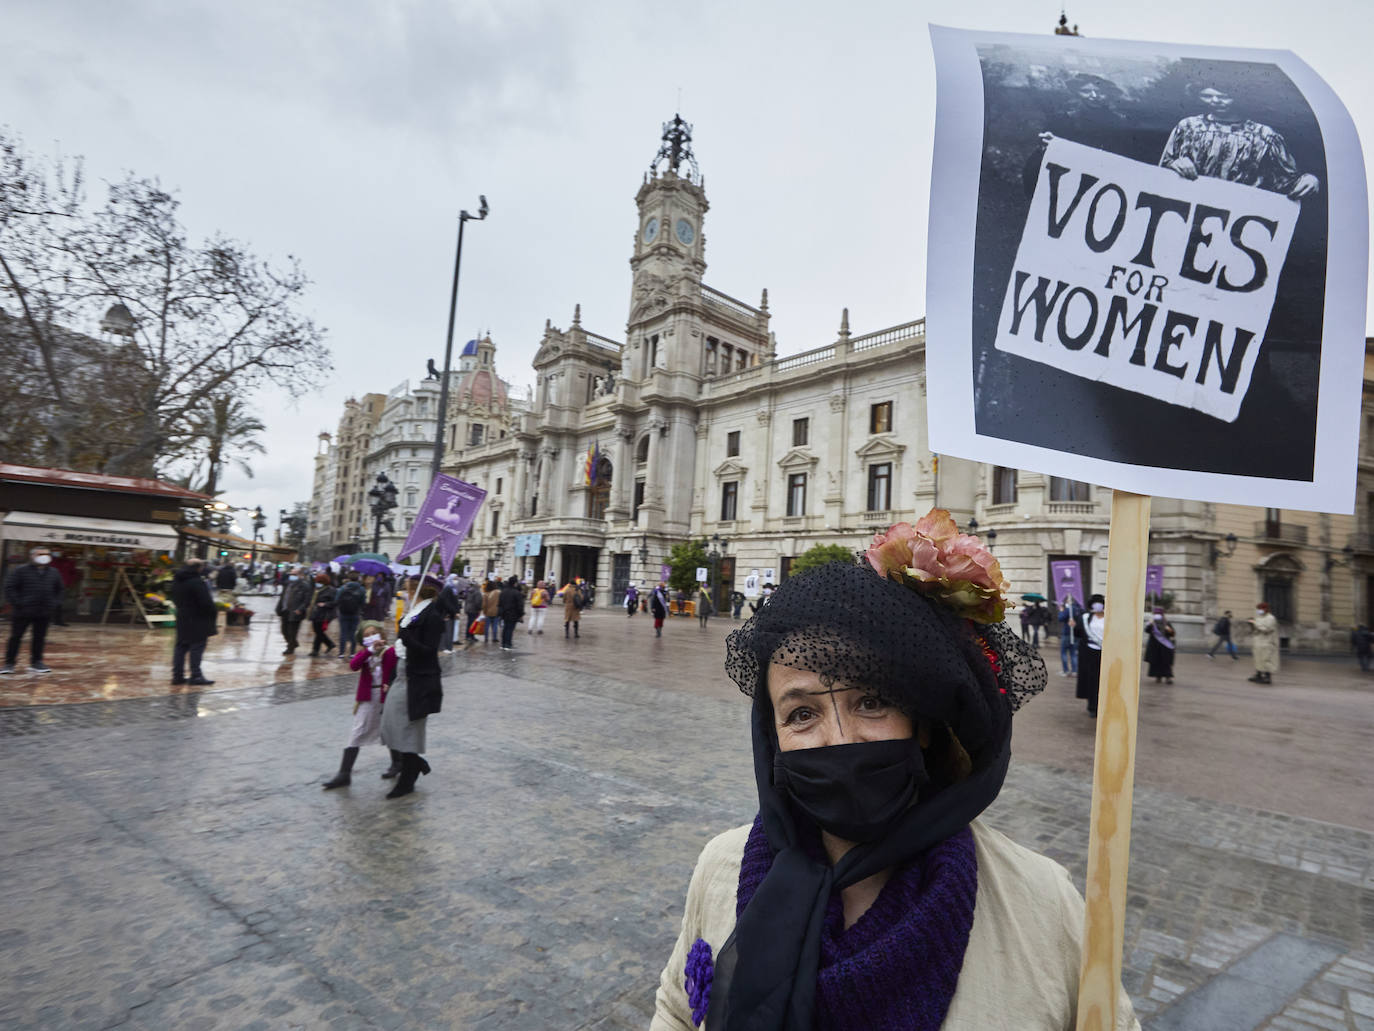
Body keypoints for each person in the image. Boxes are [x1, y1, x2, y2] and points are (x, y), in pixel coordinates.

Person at [651, 513, 1138, 1029]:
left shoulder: (1043, 905)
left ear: (922, 723)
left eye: (872, 701)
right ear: (771, 738)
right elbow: (676, 1013)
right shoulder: (720, 868)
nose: (839, 739)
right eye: (801, 714)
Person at [1160, 79, 1321, 199]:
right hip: (1187, 209)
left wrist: (1309, 180)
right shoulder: (1188, 127)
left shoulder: (1264, 136)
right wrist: (1174, 164)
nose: (1215, 101)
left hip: (1240, 220)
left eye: (1224, 96)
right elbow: (1161, 169)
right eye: (1207, 96)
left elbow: (1287, 182)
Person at [383, 575, 457, 799]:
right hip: (403, 676)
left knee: (409, 731)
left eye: (408, 589)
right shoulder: (413, 613)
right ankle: (416, 763)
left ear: (418, 590)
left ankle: (408, 780)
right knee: (391, 724)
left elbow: (429, 651)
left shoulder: (432, 616)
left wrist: (407, 638)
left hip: (418, 681)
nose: (405, 592)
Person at [324, 621, 399, 789]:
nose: (370, 637)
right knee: (358, 731)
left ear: (380, 633)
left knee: (388, 730)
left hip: (386, 697)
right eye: (366, 635)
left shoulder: (390, 651)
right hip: (367, 696)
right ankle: (344, 773)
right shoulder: (365, 653)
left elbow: (397, 671)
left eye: (373, 633)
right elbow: (353, 666)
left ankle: (397, 762)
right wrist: (370, 650)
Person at [2, 546, 64, 674]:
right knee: (16, 637)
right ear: (32, 556)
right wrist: (18, 603)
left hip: (44, 611)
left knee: (40, 637)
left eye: (47, 554)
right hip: (23, 611)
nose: (44, 556)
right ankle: (9, 664)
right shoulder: (21, 570)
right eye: (40, 554)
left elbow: (60, 589)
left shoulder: (54, 572)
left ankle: (37, 662)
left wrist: (54, 603)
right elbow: (10, 588)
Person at [169, 557, 218, 686]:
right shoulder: (196, 581)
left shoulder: (177, 580)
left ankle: (177, 676)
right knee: (197, 647)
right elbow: (206, 603)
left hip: (182, 617)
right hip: (198, 619)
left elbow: (173, 597)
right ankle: (196, 675)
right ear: (198, 568)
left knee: (181, 646)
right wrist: (213, 612)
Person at [1076, 593, 1106, 717]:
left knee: (1103, 681)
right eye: (1095, 603)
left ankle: (1103, 706)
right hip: (1089, 653)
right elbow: (1079, 633)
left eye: (1100, 602)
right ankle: (1092, 707)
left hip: (1104, 654)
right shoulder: (1086, 617)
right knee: (1091, 681)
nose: (1098, 605)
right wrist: (1074, 626)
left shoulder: (1109, 618)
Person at [276, 567, 311, 656]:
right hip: (285, 610)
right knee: (284, 630)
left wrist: (300, 609)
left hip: (295, 611)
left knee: (292, 631)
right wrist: (279, 607)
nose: (292, 576)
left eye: (294, 574)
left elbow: (307, 600)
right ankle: (293, 643)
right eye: (291, 574)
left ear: (300, 575)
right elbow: (283, 597)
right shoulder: (288, 584)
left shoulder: (304, 585)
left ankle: (290, 648)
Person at [335, 572, 367, 660]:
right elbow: (363, 603)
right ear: (358, 578)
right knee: (353, 633)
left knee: (343, 633)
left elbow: (336, 600)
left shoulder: (342, 588)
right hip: (355, 614)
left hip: (343, 613)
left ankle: (341, 653)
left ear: (349, 578)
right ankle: (352, 653)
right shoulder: (361, 589)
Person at [1248, 602, 1280, 684]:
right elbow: (1256, 630)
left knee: (1266, 659)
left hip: (1267, 642)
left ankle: (1267, 677)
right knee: (1258, 659)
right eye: (1258, 609)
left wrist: (1255, 623)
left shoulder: (1271, 618)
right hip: (1258, 642)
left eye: (1260, 609)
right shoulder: (1258, 618)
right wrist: (1251, 625)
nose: (1259, 611)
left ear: (1265, 609)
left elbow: (1267, 629)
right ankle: (1258, 675)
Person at [308, 572, 337, 658]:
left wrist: (325, 604)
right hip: (316, 613)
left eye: (319, 582)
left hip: (325, 614)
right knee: (317, 631)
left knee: (319, 632)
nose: (317, 583)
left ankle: (315, 650)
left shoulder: (331, 590)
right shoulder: (316, 589)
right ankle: (329, 644)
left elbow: (335, 602)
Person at [1144, 607, 1176, 684]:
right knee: (1156, 661)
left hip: (1164, 646)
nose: (1157, 615)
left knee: (1166, 662)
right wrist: (1150, 624)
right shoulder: (1152, 622)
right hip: (1154, 646)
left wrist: (1169, 630)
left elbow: (1173, 633)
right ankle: (1158, 677)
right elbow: (1147, 630)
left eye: (1158, 614)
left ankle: (1168, 677)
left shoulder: (1166, 623)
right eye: (1156, 614)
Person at [1057, 596, 1083, 677]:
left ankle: (1066, 671)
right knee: (1073, 653)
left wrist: (1061, 611)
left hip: (1067, 633)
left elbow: (1060, 618)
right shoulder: (1079, 610)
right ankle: (1075, 670)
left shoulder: (1069, 609)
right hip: (1076, 634)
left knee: (1064, 652)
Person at [498, 576, 524, 650]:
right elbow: (520, 605)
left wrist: (500, 612)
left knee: (505, 628)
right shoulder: (517, 593)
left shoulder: (503, 591)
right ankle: (508, 644)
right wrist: (521, 614)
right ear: (515, 583)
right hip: (513, 613)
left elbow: (499, 603)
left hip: (504, 613)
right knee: (510, 629)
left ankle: (503, 644)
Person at [482, 580, 502, 645]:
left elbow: (484, 605)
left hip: (488, 612)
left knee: (486, 626)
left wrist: (484, 612)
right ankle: (494, 638)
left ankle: (486, 638)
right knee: (495, 625)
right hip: (496, 611)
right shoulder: (498, 592)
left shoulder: (485, 594)